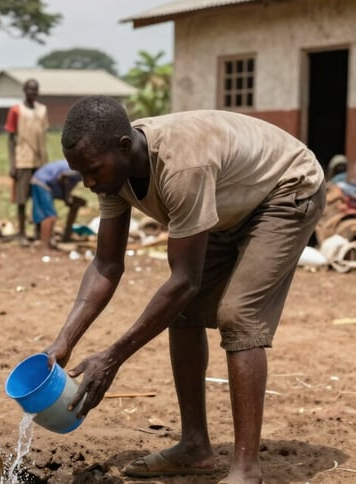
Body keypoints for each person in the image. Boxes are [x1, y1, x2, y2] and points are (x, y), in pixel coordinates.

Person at [44, 96, 325, 483]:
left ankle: (246, 468)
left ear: (124, 147)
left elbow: (184, 281)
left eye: (92, 171)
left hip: (285, 189)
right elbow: (106, 265)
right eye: (80, 174)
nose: (89, 183)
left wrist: (111, 358)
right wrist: (63, 343)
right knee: (182, 313)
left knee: (238, 315)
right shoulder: (113, 172)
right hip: (229, 204)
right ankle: (194, 446)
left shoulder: (181, 167)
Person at [5, 78, 49, 241]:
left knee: (39, 198)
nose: (33, 93)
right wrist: (12, 164)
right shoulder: (16, 110)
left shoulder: (43, 110)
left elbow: (44, 135)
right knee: (21, 199)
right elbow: (10, 139)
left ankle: (38, 232)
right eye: (30, 90)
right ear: (24, 90)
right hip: (22, 159)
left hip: (40, 161)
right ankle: (22, 233)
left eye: (35, 90)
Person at [30, 159, 83, 252]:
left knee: (44, 215)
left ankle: (47, 242)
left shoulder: (80, 169)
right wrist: (66, 196)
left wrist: (67, 196)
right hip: (43, 181)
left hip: (40, 179)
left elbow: (69, 182)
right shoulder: (80, 168)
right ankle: (45, 247)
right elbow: (63, 177)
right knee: (50, 216)